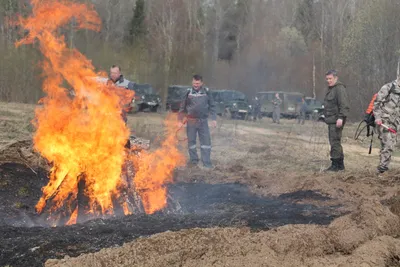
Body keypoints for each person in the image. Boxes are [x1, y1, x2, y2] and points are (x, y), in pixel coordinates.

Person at [178, 75, 217, 169]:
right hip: (191, 121)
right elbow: (182, 107)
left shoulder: (207, 92)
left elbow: (212, 105)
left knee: (206, 143)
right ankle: (194, 162)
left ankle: (207, 163)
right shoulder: (188, 92)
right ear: (192, 82)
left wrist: (214, 119)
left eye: (198, 83)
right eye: (194, 83)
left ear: (201, 83)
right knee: (191, 142)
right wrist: (179, 120)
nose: (196, 85)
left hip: (203, 121)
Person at [323, 70, 350, 172]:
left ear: (335, 78)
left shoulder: (339, 88)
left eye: (330, 78)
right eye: (327, 79)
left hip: (336, 120)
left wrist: (341, 117)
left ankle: (335, 165)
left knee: (334, 142)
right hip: (332, 119)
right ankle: (340, 165)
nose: (328, 81)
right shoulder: (331, 89)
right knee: (335, 142)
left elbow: (344, 104)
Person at [373, 78, 400, 174]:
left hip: (396, 123)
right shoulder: (388, 87)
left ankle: (383, 167)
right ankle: (382, 169)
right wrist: (377, 117)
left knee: (390, 145)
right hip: (384, 121)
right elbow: (377, 102)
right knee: (388, 144)